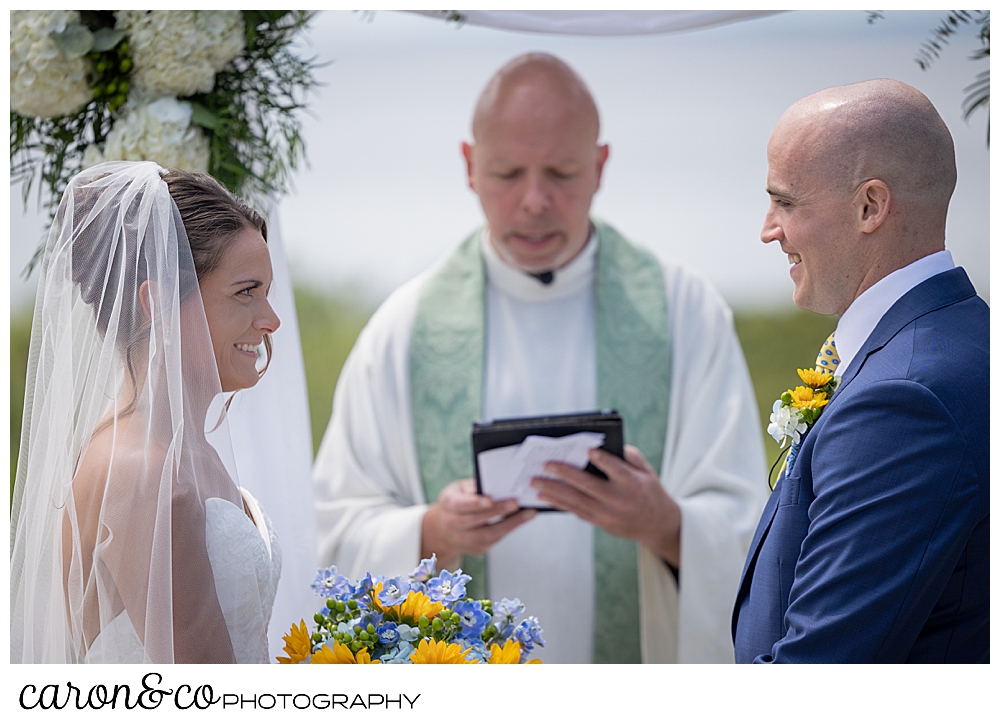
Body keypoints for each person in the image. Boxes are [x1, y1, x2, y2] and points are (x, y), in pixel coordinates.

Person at [314, 53, 768, 663]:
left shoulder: (685, 311)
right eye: (507, 173)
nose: (534, 200)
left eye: (560, 172)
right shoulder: (404, 327)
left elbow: (756, 531)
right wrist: (431, 534)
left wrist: (664, 524)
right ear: (470, 166)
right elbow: (331, 531)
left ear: (601, 165)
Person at [732, 79, 989, 663]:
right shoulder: (969, 335)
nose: (768, 228)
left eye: (786, 201)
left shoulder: (904, 399)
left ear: (870, 207)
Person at [10, 162, 283, 663]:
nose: (271, 319)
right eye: (246, 292)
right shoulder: (141, 472)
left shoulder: (188, 451)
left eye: (267, 292)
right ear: (157, 302)